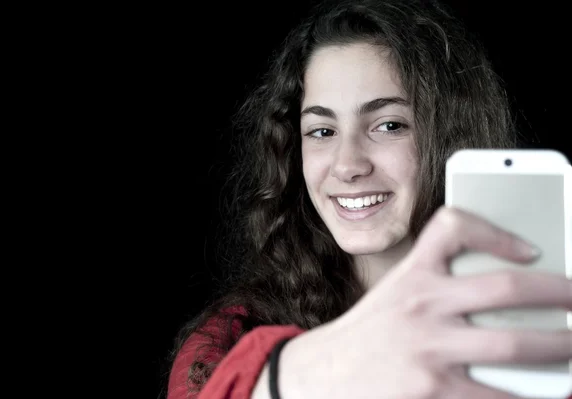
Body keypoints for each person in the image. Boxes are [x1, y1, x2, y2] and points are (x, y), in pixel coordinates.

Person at [166, 0, 572, 398]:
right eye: (322, 131)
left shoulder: (541, 329)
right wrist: (297, 376)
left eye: (389, 125)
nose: (347, 165)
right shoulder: (225, 345)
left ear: (449, 136)